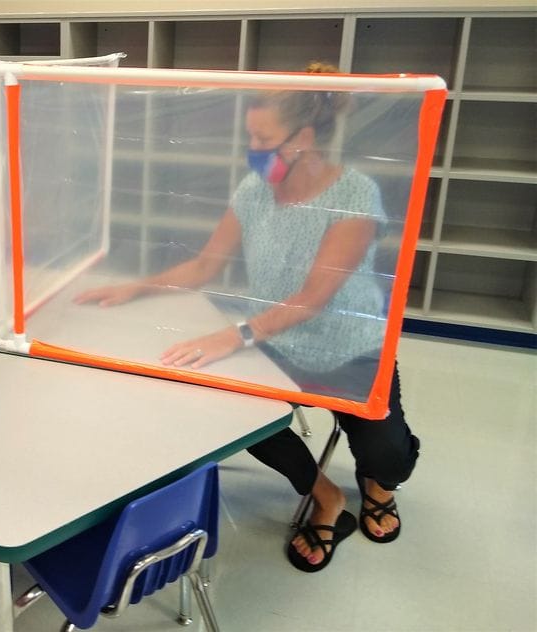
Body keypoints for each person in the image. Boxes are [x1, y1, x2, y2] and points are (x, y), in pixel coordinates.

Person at [74, 62, 420, 573]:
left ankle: (377, 485)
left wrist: (235, 335)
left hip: (352, 347)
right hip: (278, 344)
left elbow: (315, 296)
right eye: (250, 136)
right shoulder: (254, 190)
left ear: (303, 137)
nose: (253, 149)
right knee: (235, 417)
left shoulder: (354, 194)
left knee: (389, 457)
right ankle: (326, 497)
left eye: (263, 137)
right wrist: (136, 287)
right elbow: (206, 264)